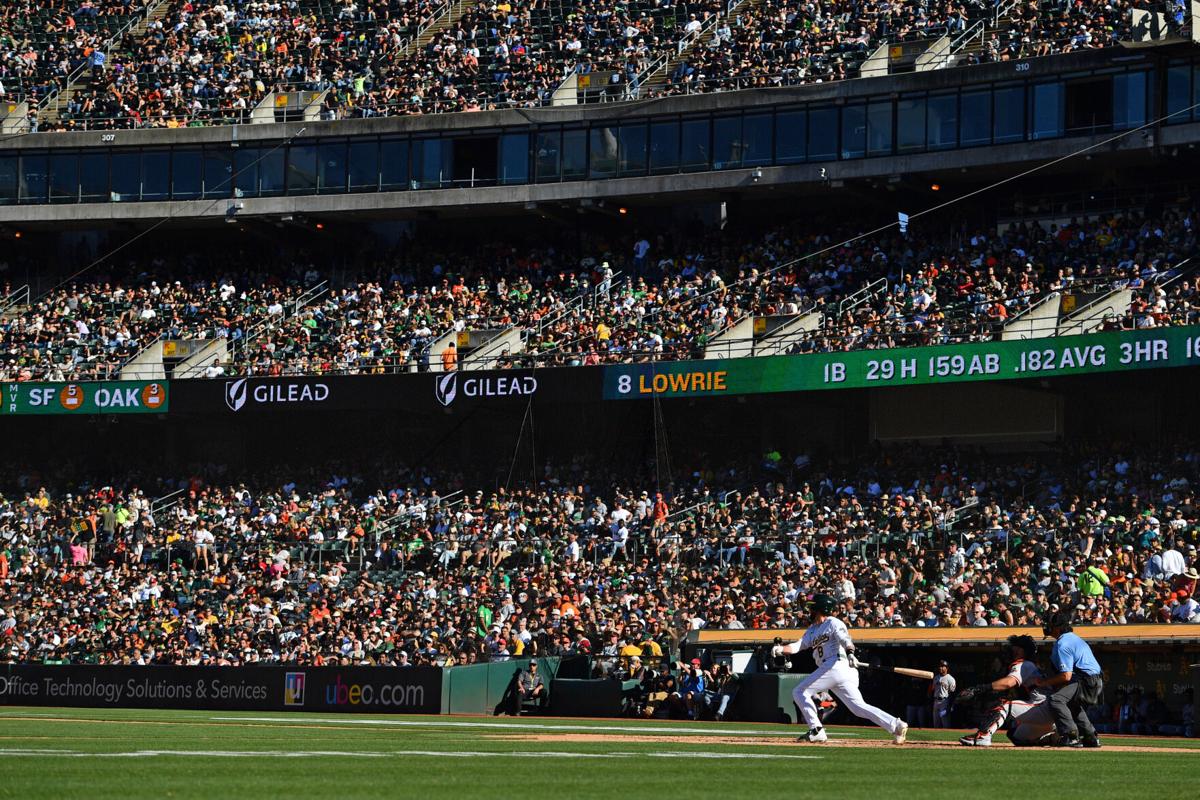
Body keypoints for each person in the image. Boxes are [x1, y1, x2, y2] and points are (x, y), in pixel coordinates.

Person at [773, 594, 908, 744]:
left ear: (820, 609)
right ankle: (896, 725)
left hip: (835, 664)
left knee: (799, 691)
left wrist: (850, 652)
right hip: (836, 669)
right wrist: (781, 649)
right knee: (858, 707)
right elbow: (798, 646)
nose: (809, 611)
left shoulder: (833, 622)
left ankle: (816, 730)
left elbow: (845, 639)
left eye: (812, 608)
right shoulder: (812, 630)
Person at [957, 635, 1056, 747]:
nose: (1012, 649)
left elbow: (1009, 682)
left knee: (1004, 705)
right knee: (1015, 735)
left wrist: (979, 688)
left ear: (1023, 650)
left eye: (1017, 647)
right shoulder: (1031, 665)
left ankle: (983, 736)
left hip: (1042, 708)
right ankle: (1051, 739)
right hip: (1049, 715)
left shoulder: (1024, 664)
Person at [1034, 610, 1104, 747]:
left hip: (1087, 680)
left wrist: (1043, 682)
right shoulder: (1072, 638)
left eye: (1050, 624)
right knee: (1072, 704)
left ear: (1058, 628)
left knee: (1056, 700)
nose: (1046, 626)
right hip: (1095, 679)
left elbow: (1066, 676)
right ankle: (1090, 736)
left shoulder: (1063, 644)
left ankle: (1070, 735)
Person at [932, 660, 956, 728]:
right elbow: (932, 690)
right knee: (936, 723)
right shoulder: (936, 677)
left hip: (945, 701)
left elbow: (953, 693)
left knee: (945, 723)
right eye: (940, 666)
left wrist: (950, 705)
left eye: (943, 666)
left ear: (947, 668)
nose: (940, 668)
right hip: (936, 701)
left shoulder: (951, 679)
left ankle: (947, 738)